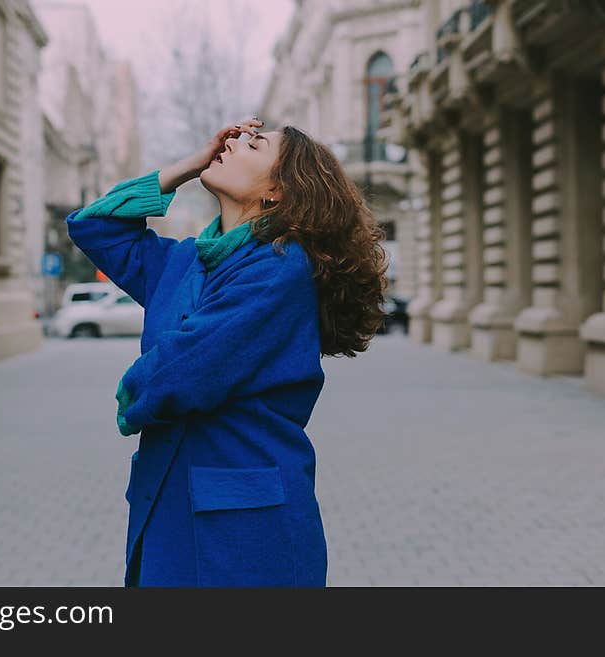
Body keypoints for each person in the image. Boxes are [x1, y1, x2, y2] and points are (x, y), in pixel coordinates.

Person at [65, 117, 389, 587]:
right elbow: (94, 227)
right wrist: (187, 167)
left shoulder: (280, 267)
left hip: (243, 527)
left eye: (253, 144)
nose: (234, 141)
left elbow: (184, 371)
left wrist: (130, 391)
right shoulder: (184, 262)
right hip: (168, 505)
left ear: (278, 190)